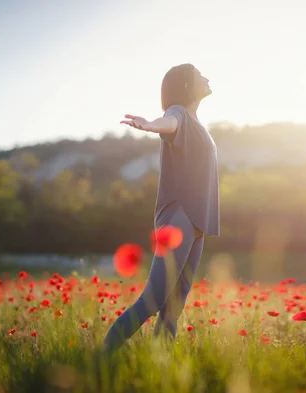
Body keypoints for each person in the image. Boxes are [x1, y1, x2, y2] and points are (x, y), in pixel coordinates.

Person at [101, 63, 220, 353]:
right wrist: (149, 125)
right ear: (188, 86)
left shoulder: (196, 122)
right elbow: (167, 123)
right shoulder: (178, 113)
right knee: (153, 300)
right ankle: (100, 359)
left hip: (197, 221)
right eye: (199, 75)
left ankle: (160, 368)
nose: (206, 77)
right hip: (179, 215)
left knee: (173, 307)